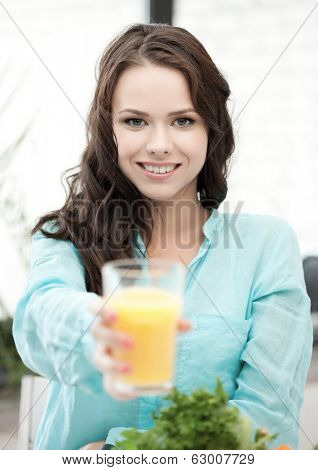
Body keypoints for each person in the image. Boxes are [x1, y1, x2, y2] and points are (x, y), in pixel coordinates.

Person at [13, 23, 313, 450]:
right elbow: (39, 321)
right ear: (109, 130)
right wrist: (93, 324)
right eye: (135, 121)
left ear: (211, 130)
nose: (159, 144)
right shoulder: (68, 236)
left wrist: (126, 451)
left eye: (182, 121)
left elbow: (268, 420)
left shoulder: (266, 246)